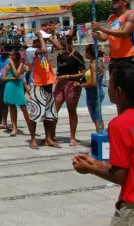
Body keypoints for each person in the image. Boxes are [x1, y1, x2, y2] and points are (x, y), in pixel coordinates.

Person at [72, 62, 134, 225]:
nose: (108, 88)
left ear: (119, 92)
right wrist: (99, 163)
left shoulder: (120, 124)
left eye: (110, 84)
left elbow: (121, 175)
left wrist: (89, 168)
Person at [27, 29, 61, 150]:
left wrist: (49, 37)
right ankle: (33, 139)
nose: (45, 41)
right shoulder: (30, 50)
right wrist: (41, 37)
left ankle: (48, 138)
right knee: (35, 114)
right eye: (42, 40)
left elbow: (58, 47)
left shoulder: (42, 46)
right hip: (37, 85)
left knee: (50, 115)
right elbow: (44, 50)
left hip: (48, 84)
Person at [54, 35, 85, 146]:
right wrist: (57, 75)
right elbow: (59, 69)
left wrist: (67, 76)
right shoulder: (60, 55)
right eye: (61, 46)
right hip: (60, 84)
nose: (62, 48)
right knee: (54, 110)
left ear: (70, 44)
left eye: (64, 46)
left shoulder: (77, 56)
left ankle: (72, 137)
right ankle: (52, 134)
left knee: (71, 111)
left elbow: (82, 72)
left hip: (72, 84)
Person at [92, 0, 134, 75]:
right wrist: (97, 35)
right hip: (114, 58)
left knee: (126, 86)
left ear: (125, 2)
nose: (113, 2)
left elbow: (124, 33)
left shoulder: (130, 14)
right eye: (112, 0)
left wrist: (100, 27)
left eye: (116, 0)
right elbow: (104, 37)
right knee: (113, 85)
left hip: (128, 57)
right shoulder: (111, 18)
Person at [75, 44, 105, 132]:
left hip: (94, 93)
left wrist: (81, 85)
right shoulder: (97, 62)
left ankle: (100, 136)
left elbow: (94, 83)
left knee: (96, 118)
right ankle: (100, 134)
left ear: (88, 53)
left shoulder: (94, 65)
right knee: (98, 117)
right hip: (95, 92)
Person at [2, 50, 31, 137]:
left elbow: (17, 74)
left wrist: (12, 64)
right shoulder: (7, 66)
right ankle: (14, 127)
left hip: (18, 87)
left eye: (12, 56)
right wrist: (11, 78)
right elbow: (3, 78)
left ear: (17, 57)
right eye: (10, 56)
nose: (10, 58)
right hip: (9, 86)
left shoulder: (22, 65)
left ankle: (31, 127)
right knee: (12, 107)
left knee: (23, 107)